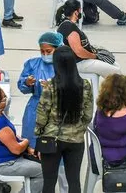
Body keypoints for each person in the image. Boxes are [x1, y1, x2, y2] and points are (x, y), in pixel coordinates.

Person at [56, 0, 126, 108]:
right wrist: (94, 56)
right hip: (78, 63)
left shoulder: (68, 25)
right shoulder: (69, 27)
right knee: (115, 72)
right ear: (76, 12)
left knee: (115, 65)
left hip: (82, 60)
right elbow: (79, 51)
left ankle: (121, 97)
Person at [35, 45, 93, 193]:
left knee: (49, 181)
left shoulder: (51, 86)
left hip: (52, 138)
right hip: (76, 139)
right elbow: (88, 114)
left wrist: (39, 131)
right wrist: (79, 128)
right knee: (74, 181)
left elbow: (42, 114)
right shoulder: (85, 85)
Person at [0, 84, 44, 193]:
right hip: (4, 164)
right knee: (43, 170)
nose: (6, 99)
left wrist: (28, 148)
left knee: (38, 162)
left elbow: (11, 137)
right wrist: (27, 141)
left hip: (4, 159)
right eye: (4, 98)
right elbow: (16, 149)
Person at [18, 32, 61, 148]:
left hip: (56, 107)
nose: (45, 54)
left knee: (53, 143)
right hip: (35, 106)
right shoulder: (33, 64)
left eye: (48, 51)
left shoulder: (62, 64)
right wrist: (27, 83)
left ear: (57, 49)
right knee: (32, 139)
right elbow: (22, 86)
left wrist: (51, 88)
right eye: (42, 51)